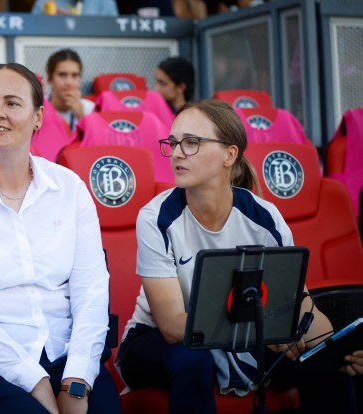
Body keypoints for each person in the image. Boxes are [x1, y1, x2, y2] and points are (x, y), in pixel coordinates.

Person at [116, 99, 361, 413]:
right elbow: (172, 325)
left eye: (191, 143)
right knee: (192, 357)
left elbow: (298, 302)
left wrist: (337, 349)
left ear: (229, 155)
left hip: (244, 335)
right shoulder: (156, 218)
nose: (176, 153)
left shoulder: (265, 217)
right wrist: (267, 333)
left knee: (328, 366)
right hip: (154, 341)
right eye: (174, 143)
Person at [0, 62, 122, 414]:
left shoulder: (69, 188)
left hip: (61, 354)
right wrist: (35, 381)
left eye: (12, 103)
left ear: (38, 117)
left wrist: (76, 381)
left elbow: (91, 291)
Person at [45, 49, 94, 132]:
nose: (69, 82)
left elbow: (97, 143)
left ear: (80, 79)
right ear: (50, 78)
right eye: (62, 75)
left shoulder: (90, 109)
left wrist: (81, 116)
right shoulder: (37, 106)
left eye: (74, 75)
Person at [32, 0, 118, 15]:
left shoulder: (106, 3)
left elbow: (115, 41)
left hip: (97, 59)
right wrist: (51, 22)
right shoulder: (45, 2)